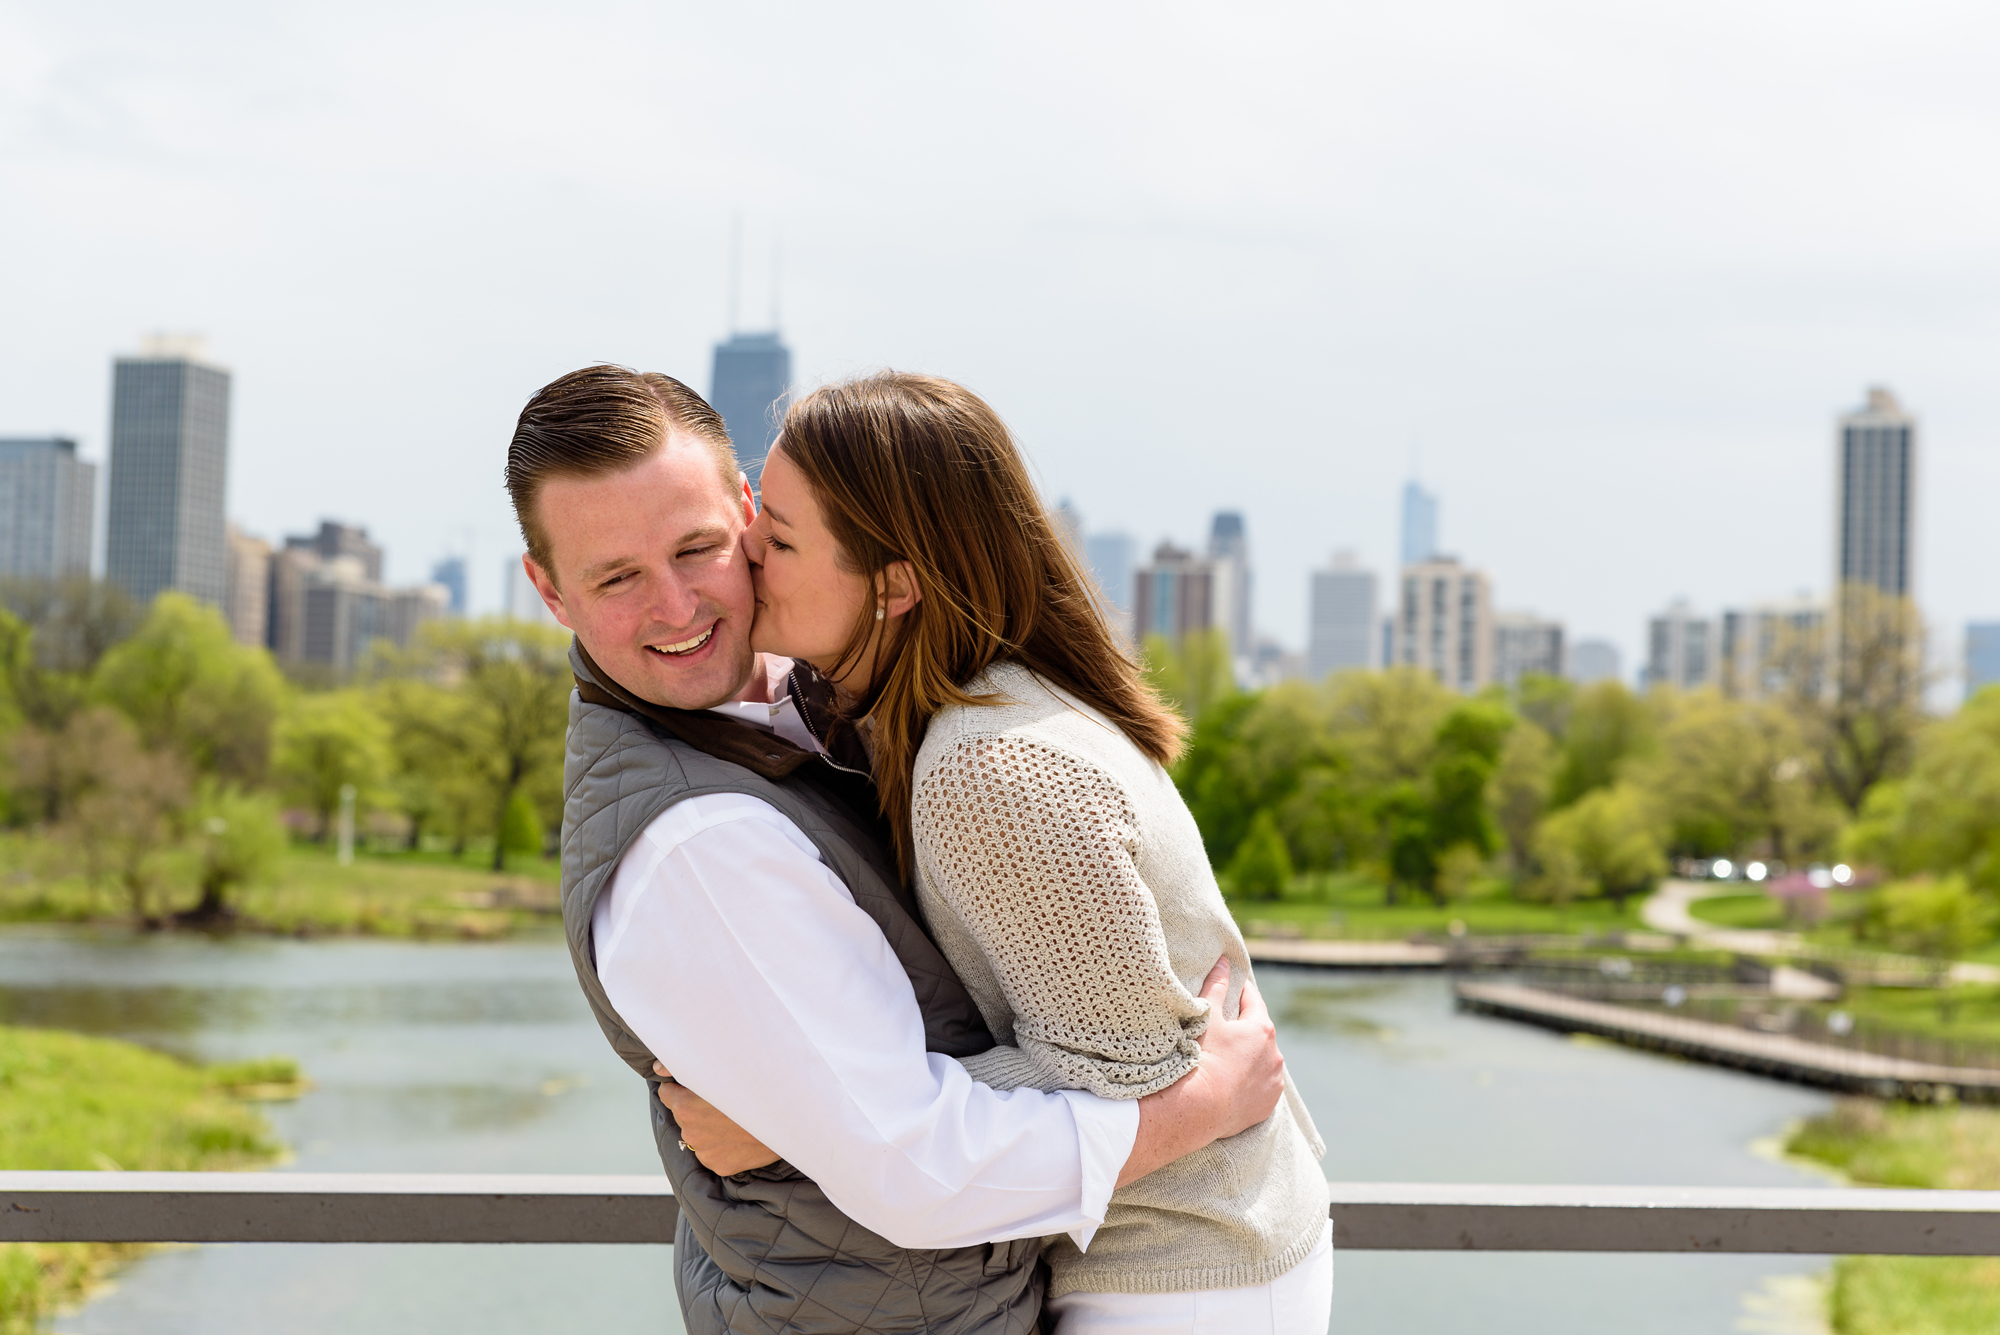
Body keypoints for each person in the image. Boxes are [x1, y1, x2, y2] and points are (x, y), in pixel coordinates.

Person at [507, 364, 1295, 1335]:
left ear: (749, 514)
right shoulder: (696, 847)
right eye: (616, 577)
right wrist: (1193, 1104)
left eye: (698, 548)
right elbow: (913, 1163)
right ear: (548, 590)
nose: (674, 606)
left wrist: (791, 1128)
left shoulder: (859, 693)